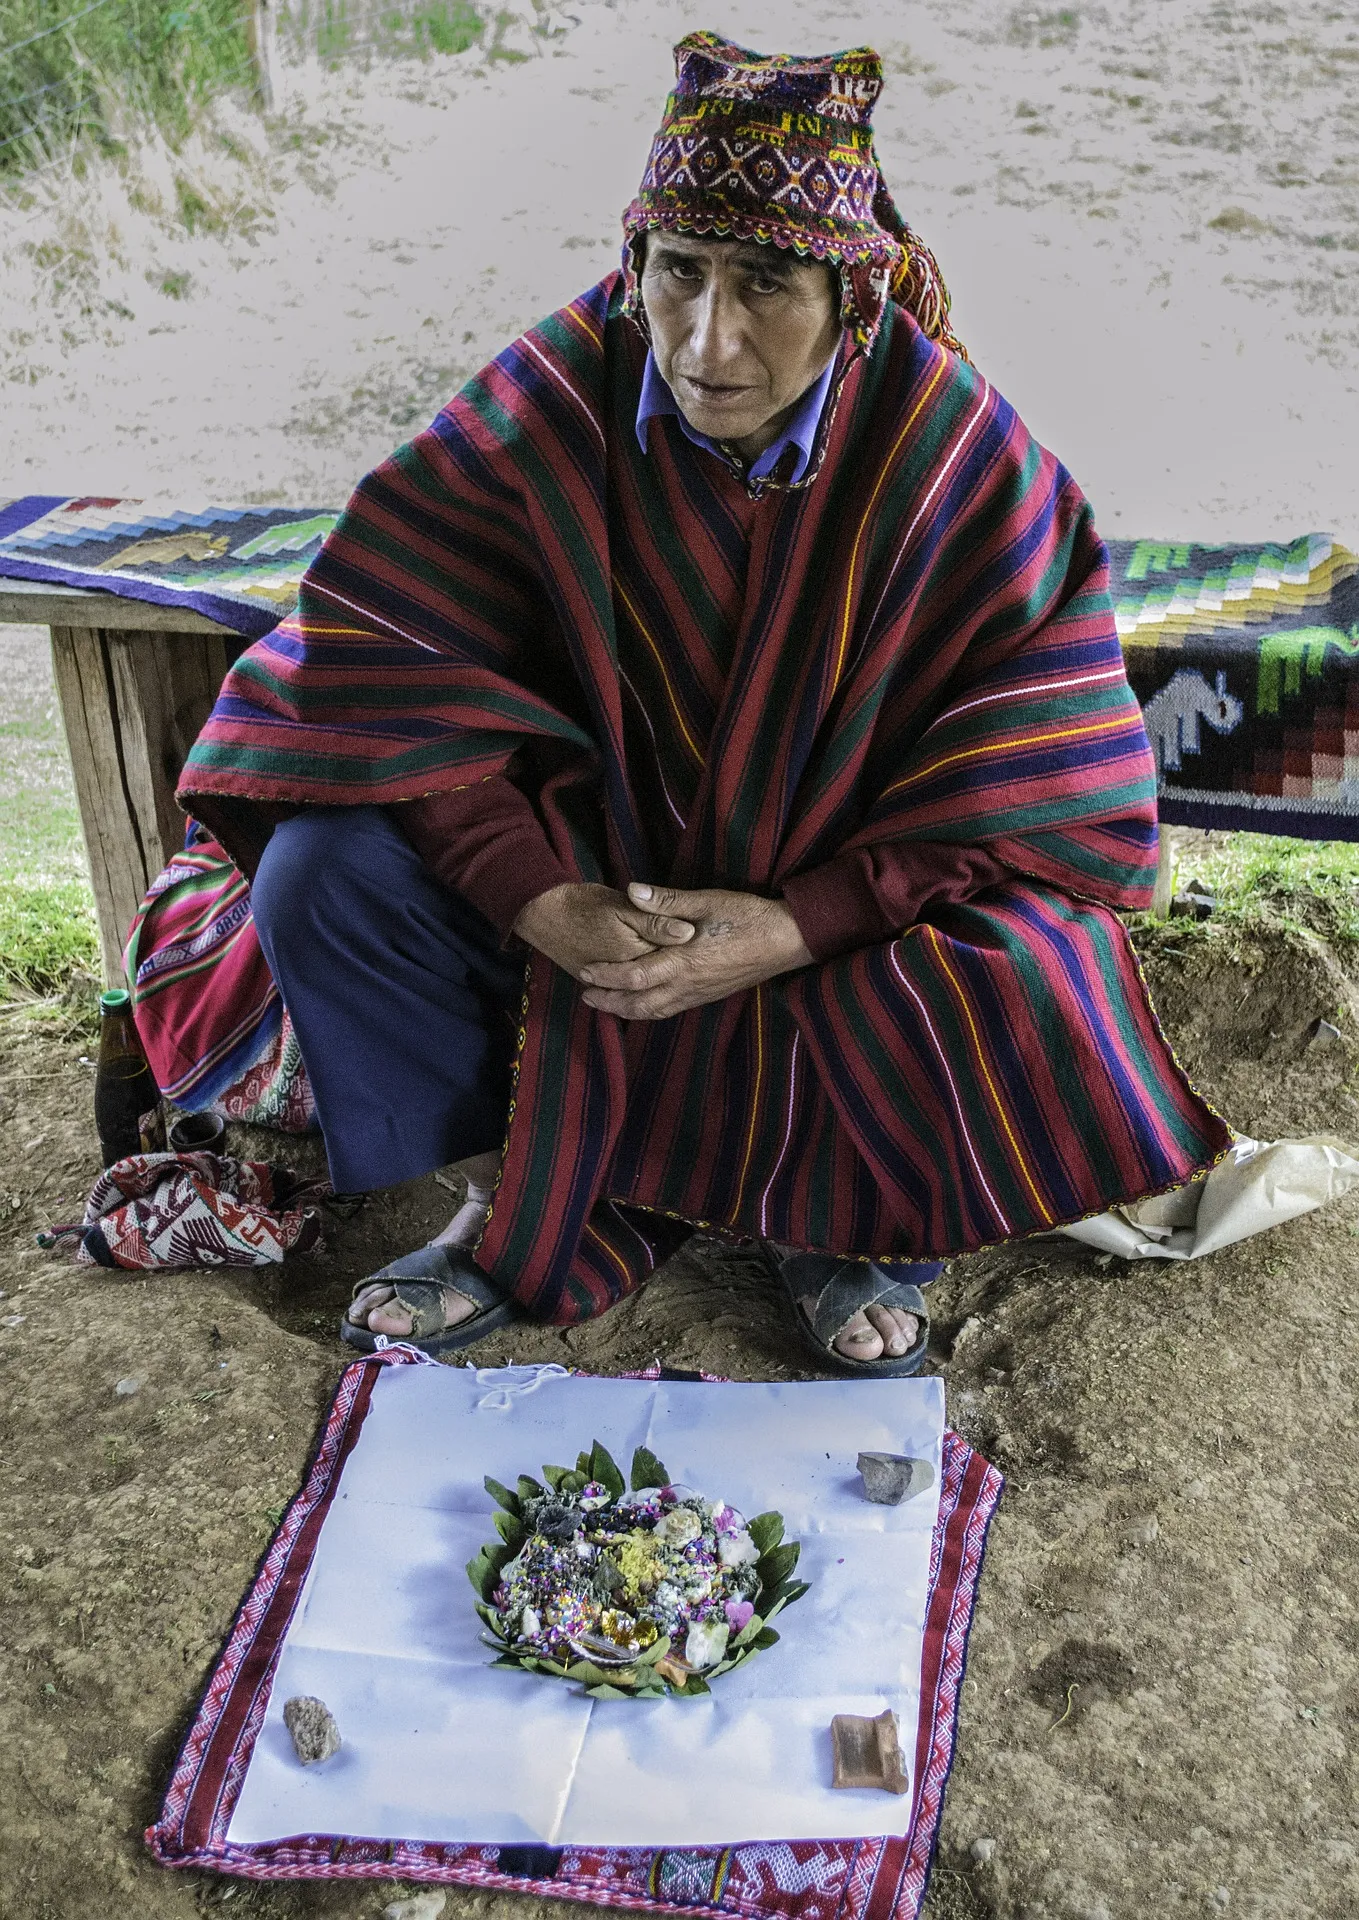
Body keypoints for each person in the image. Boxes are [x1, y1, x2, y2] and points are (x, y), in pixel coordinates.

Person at [180, 33, 1230, 1375]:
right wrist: (538, 898)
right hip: (592, 876)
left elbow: (1043, 768)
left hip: (835, 900)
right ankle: (527, 1194)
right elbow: (377, 669)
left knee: (1032, 965)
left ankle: (844, 1221)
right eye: (677, 272)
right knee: (324, 871)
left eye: (766, 283)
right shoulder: (549, 399)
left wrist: (800, 923)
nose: (706, 338)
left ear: (850, 295)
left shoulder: (957, 459)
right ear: (635, 266)